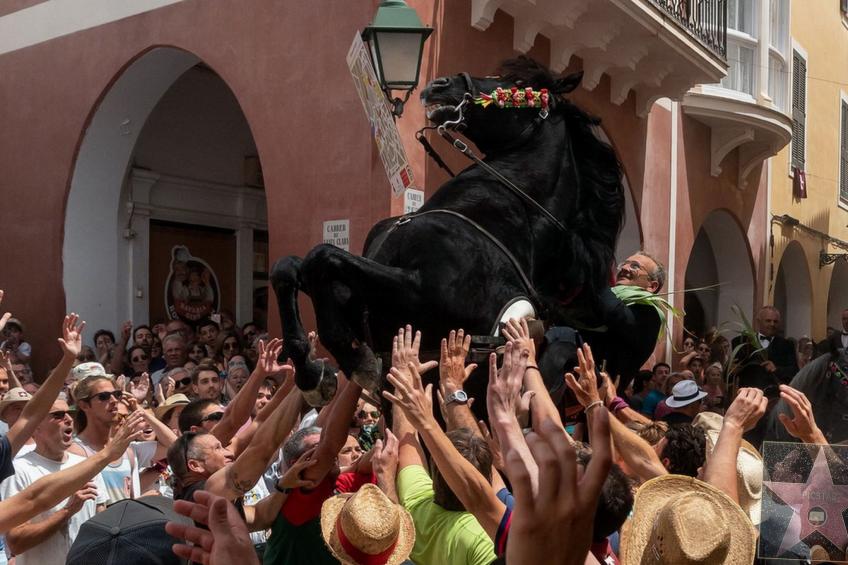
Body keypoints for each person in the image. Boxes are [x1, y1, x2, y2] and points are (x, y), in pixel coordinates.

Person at [1, 398, 108, 564]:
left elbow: (102, 524)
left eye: (70, 413)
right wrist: (67, 512)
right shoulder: (18, 470)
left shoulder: (86, 466)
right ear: (35, 426)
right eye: (58, 415)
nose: (69, 419)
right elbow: (16, 542)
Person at [732, 306, 798, 384]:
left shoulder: (787, 345)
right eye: (768, 321)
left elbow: (794, 371)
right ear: (758, 322)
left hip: (775, 389)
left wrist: (776, 369)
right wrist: (732, 370)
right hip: (749, 389)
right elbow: (730, 374)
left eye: (775, 321)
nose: (772, 324)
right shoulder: (742, 342)